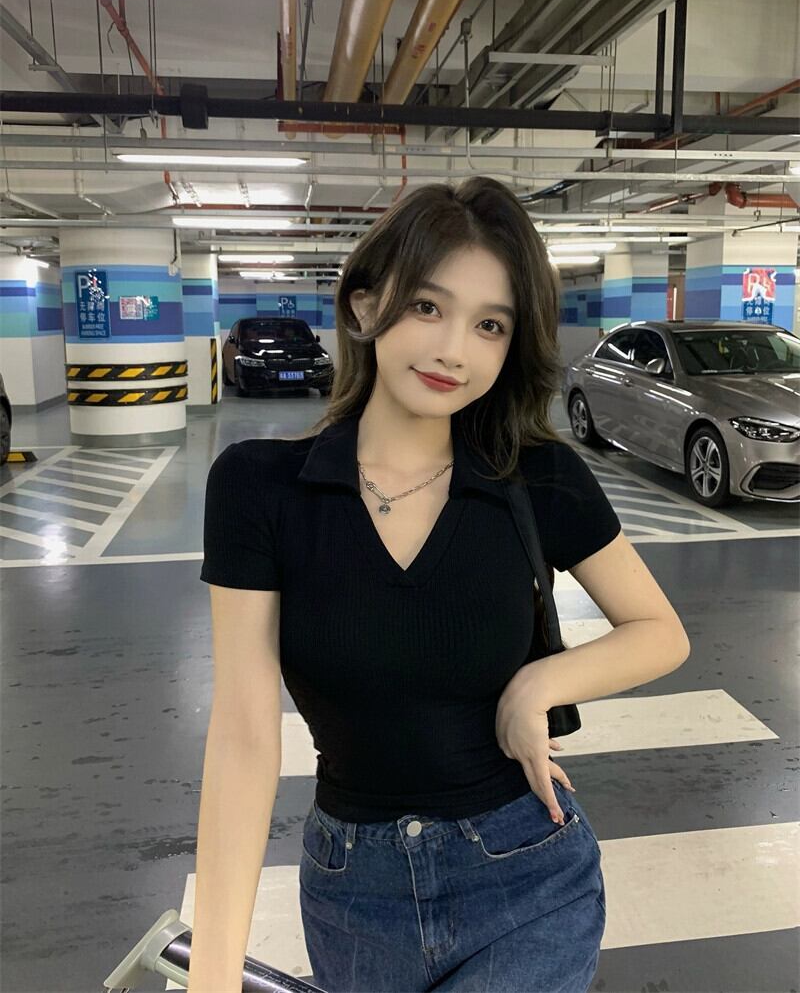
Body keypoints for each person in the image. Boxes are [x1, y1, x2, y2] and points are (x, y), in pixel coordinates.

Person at [190, 176, 690, 992]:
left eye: (490, 325)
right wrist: (211, 975)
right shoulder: (258, 488)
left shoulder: (539, 477)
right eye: (428, 306)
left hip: (527, 873)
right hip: (354, 894)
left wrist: (540, 684)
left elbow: (660, 632)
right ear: (365, 306)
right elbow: (244, 735)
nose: (455, 349)